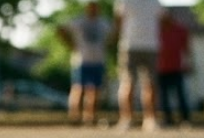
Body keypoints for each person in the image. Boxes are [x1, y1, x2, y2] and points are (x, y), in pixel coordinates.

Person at [58, 2, 113, 126]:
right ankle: (74, 117)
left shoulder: (103, 23)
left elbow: (114, 33)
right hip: (81, 60)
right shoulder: (79, 21)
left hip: (98, 60)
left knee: (94, 91)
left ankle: (90, 117)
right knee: (78, 88)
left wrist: (107, 46)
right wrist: (71, 45)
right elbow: (61, 29)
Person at [114, 0, 164, 131]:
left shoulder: (155, 2)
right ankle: (126, 118)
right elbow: (119, 20)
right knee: (128, 82)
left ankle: (150, 119)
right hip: (130, 45)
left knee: (151, 84)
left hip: (151, 46)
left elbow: (163, 20)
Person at [157, 9, 191, 127]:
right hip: (160, 68)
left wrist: (188, 63)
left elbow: (187, 48)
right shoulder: (156, 29)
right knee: (163, 96)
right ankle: (167, 118)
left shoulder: (180, 30)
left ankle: (185, 118)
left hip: (176, 68)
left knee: (180, 94)